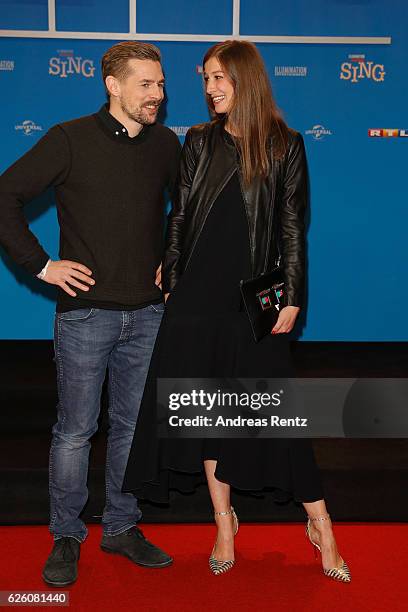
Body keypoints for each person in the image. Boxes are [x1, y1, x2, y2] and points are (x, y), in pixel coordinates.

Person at [123, 40, 351, 582]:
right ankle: (224, 522)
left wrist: (293, 295)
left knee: (276, 417)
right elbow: (179, 216)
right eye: (205, 79)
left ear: (245, 78)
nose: (209, 88)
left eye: (220, 77)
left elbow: (294, 229)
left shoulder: (285, 145)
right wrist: (173, 277)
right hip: (196, 298)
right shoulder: (199, 141)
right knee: (205, 412)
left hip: (258, 296)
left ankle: (321, 525)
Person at [0, 41, 181, 586]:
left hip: (147, 315)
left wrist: (171, 260)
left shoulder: (166, 144)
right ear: (113, 84)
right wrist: (42, 265)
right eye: (146, 84)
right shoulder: (69, 139)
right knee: (76, 431)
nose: (158, 94)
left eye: (161, 83)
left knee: (130, 428)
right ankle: (66, 534)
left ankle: (122, 527)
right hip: (84, 316)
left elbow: (187, 210)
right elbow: (6, 195)